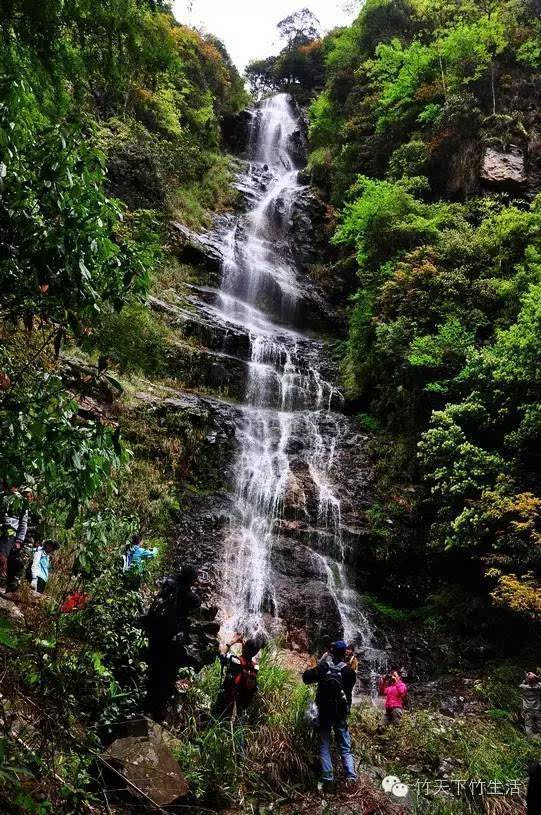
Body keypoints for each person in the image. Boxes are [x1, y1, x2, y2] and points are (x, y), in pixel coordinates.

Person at [142, 566, 202, 720]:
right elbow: (196, 605)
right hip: (170, 641)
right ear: (192, 580)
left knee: (154, 670)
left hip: (155, 635)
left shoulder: (169, 583)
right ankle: (157, 711)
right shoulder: (190, 597)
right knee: (167, 676)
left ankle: (147, 704)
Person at [302, 639, 357, 786]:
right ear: (345, 653)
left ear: (331, 652)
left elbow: (306, 678)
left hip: (324, 712)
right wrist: (347, 711)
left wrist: (321, 663)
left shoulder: (323, 667)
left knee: (324, 745)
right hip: (340, 713)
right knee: (345, 747)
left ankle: (327, 777)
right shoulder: (349, 672)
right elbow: (349, 693)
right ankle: (351, 777)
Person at [213, 633, 266, 721]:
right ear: (255, 653)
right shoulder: (255, 667)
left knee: (218, 722)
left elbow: (221, 653)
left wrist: (232, 641)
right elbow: (246, 660)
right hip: (241, 703)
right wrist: (245, 647)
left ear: (245, 648)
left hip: (227, 700)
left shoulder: (234, 661)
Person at [0, 493, 29, 591]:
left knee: (2, 558)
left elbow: (23, 523)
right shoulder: (2, 496)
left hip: (10, 534)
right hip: (1, 529)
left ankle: (2, 583)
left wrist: (19, 540)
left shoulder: (21, 502)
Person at [520, 672, 541, 737]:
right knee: (540, 725)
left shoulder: (524, 688)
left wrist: (527, 679)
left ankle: (530, 738)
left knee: (528, 726)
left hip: (528, 711)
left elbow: (521, 684)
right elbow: (538, 682)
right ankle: (539, 737)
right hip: (538, 710)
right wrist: (536, 677)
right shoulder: (538, 688)